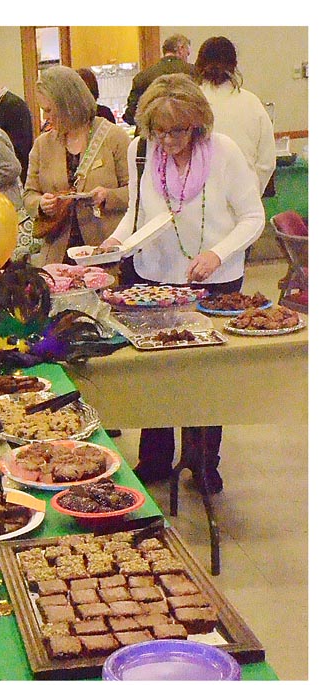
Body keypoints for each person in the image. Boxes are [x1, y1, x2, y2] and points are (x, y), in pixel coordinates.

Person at [102, 74, 265, 494]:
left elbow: (253, 217)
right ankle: (155, 459)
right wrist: (115, 241)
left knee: (205, 376)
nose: (169, 140)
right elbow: (136, 211)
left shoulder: (224, 152)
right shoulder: (141, 151)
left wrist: (217, 254)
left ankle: (204, 461)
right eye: (160, 131)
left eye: (179, 131)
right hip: (154, 277)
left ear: (198, 124)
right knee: (155, 372)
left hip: (215, 281)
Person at [23, 65, 131, 265]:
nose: (45, 117)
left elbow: (136, 193)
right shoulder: (42, 145)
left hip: (105, 253)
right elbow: (29, 193)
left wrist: (108, 196)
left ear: (68, 105)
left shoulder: (115, 137)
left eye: (49, 110)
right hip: (57, 256)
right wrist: (41, 204)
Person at [195, 36, 276, 195]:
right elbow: (267, 162)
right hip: (244, 195)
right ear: (234, 65)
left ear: (198, 64)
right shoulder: (252, 102)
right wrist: (252, 191)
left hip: (198, 199)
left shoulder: (189, 102)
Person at [122, 33, 197, 125]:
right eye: (187, 53)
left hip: (153, 130)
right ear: (181, 49)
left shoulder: (142, 77)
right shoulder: (195, 73)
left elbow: (131, 114)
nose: (187, 57)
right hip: (186, 129)